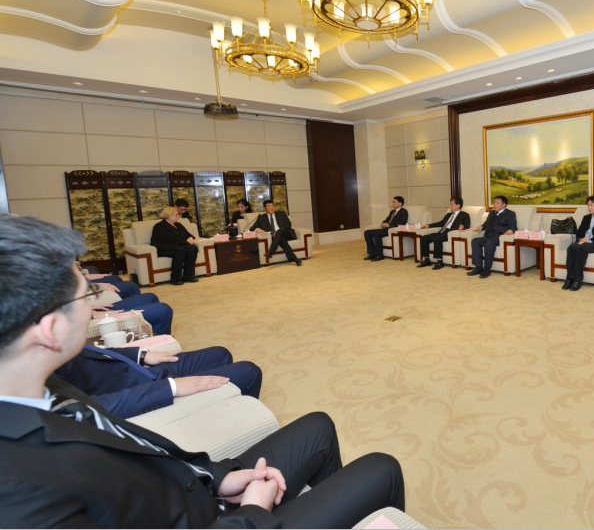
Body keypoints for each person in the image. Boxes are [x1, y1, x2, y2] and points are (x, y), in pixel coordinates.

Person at [0, 214, 405, 528]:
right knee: (382, 468)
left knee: (318, 425)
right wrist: (252, 513)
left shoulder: (44, 391)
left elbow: (138, 448)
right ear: (49, 329)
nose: (93, 306)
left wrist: (219, 478)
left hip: (202, 490)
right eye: (85, 294)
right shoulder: (20, 491)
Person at [53, 345, 262, 419]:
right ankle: (244, 424)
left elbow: (89, 354)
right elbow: (85, 408)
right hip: (142, 390)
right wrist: (171, 388)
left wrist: (142, 355)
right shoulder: (38, 369)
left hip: (141, 369)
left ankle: (223, 412)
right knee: (249, 371)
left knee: (220, 354)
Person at [561, 195, 594, 292]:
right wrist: (581, 239)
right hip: (583, 241)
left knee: (581, 249)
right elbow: (579, 231)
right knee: (571, 247)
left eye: (592, 205)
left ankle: (577, 279)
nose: (589, 207)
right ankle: (569, 278)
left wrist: (590, 240)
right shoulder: (586, 217)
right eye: (588, 205)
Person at [466, 195, 517, 279]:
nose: (495, 204)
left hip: (499, 235)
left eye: (497, 203)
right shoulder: (492, 213)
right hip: (489, 235)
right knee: (475, 241)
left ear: (504, 205)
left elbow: (513, 226)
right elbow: (487, 223)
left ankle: (487, 269)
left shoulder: (510, 214)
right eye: (494, 202)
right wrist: (481, 226)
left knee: (488, 243)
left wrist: (510, 230)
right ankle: (478, 267)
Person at [150, 206, 199, 285]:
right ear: (168, 216)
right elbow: (171, 239)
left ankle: (188, 276)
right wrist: (186, 241)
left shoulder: (178, 224)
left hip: (177, 245)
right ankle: (175, 278)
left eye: (177, 215)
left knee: (192, 248)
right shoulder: (159, 226)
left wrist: (191, 238)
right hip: (164, 248)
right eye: (176, 215)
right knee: (180, 250)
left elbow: (187, 234)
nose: (178, 216)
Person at [417, 198, 471, 270]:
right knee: (424, 238)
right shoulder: (448, 214)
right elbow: (441, 223)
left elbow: (467, 225)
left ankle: (440, 262)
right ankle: (427, 260)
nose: (450, 206)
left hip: (450, 233)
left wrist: (463, 226)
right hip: (441, 232)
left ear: (458, 205)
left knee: (437, 239)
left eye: (452, 204)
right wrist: (429, 225)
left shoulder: (464, 215)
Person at [249, 200, 302, 266]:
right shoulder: (261, 218)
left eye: (272, 206)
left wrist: (279, 230)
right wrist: (257, 229)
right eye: (269, 206)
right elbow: (252, 228)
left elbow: (288, 224)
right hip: (275, 237)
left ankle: (271, 251)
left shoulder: (281, 214)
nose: (271, 208)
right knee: (282, 240)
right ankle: (296, 259)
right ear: (265, 208)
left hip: (286, 233)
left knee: (279, 232)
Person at [364, 196, 408, 262]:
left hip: (392, 229)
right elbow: (387, 220)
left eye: (394, 202)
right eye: (393, 202)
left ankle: (380, 255)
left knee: (376, 233)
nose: (393, 204)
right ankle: (372, 253)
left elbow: (402, 223)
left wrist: (389, 225)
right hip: (385, 229)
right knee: (367, 232)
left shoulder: (403, 212)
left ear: (400, 203)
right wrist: (383, 224)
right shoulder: (392, 212)